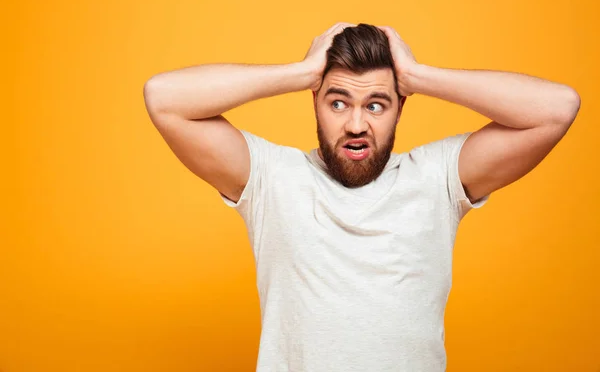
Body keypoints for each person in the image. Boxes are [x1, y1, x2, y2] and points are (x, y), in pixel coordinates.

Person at [143, 22, 580, 372]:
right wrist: (299, 72)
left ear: (400, 107)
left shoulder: (437, 178)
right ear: (313, 101)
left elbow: (557, 108)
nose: (355, 124)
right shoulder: (271, 179)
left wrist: (417, 76)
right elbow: (164, 98)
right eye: (337, 103)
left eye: (375, 105)